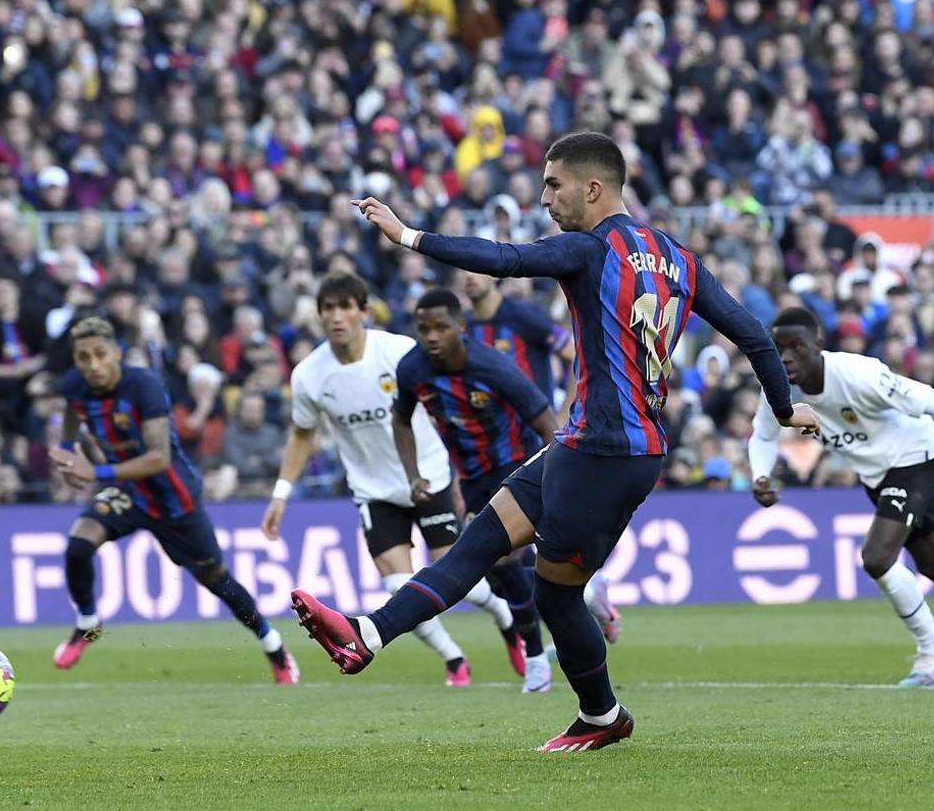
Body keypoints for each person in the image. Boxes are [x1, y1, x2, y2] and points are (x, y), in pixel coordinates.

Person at [291, 131, 817, 752]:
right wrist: (784, 408)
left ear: (592, 189)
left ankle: (602, 715)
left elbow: (505, 260)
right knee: (483, 539)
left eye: (553, 184)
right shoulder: (677, 257)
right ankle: (368, 633)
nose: (545, 197)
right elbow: (756, 335)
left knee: (554, 590)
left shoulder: (591, 249)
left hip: (606, 451)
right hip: (601, 444)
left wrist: (409, 237)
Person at [262, 273, 519, 688]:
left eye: (346, 306)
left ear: (364, 311)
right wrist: (281, 494)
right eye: (328, 308)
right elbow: (302, 435)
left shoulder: (400, 353)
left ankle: (506, 617)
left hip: (428, 478)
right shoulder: (309, 375)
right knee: (400, 585)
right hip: (374, 491)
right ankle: (454, 658)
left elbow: (443, 404)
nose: (336, 317)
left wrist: (461, 468)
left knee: (459, 580)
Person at [393, 288, 621, 694]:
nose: (431, 336)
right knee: (515, 569)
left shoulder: (493, 367)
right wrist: (413, 474)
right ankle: (587, 593)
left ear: (461, 329)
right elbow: (401, 420)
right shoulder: (411, 370)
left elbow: (543, 419)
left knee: (503, 562)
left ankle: (535, 661)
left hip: (518, 465)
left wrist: (559, 476)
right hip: (472, 475)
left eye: (441, 327)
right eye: (423, 328)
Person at [50, 317, 298, 684]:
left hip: (173, 499)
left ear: (117, 353)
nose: (93, 365)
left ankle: (274, 645)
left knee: (215, 577)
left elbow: (158, 458)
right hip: (129, 492)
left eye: (100, 355)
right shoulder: (75, 385)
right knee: (77, 545)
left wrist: (96, 474)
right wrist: (69, 450)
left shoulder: (143, 387)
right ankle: (87, 623)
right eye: (83, 357)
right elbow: (73, 410)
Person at [749, 306, 934, 687]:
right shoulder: (779, 389)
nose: (785, 356)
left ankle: (932, 652)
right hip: (876, 473)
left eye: (796, 346)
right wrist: (761, 475)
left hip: (915, 457)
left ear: (818, 343)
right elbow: (763, 434)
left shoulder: (860, 374)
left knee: (877, 557)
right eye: (778, 348)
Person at [462, 272, 576, 408]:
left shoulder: (524, 315)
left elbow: (575, 357)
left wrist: (565, 415)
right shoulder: (462, 327)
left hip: (538, 427)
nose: (469, 275)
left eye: (475, 267)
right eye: (463, 269)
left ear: (494, 274)